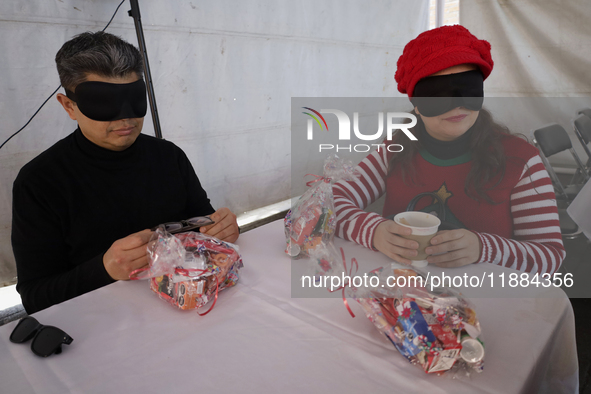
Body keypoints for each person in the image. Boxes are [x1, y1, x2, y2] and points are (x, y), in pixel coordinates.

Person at [12, 31, 239, 314]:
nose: (125, 116)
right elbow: (35, 297)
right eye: (103, 103)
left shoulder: (169, 157)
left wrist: (220, 229)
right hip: (102, 324)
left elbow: (203, 227)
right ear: (69, 105)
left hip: (186, 305)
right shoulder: (39, 182)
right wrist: (103, 269)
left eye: (134, 98)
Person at [333, 25, 565, 275]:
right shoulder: (394, 151)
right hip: (404, 298)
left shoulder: (521, 160)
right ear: (417, 105)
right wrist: (374, 232)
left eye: (468, 87)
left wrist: (483, 248)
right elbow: (327, 203)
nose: (457, 105)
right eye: (438, 93)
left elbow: (549, 256)